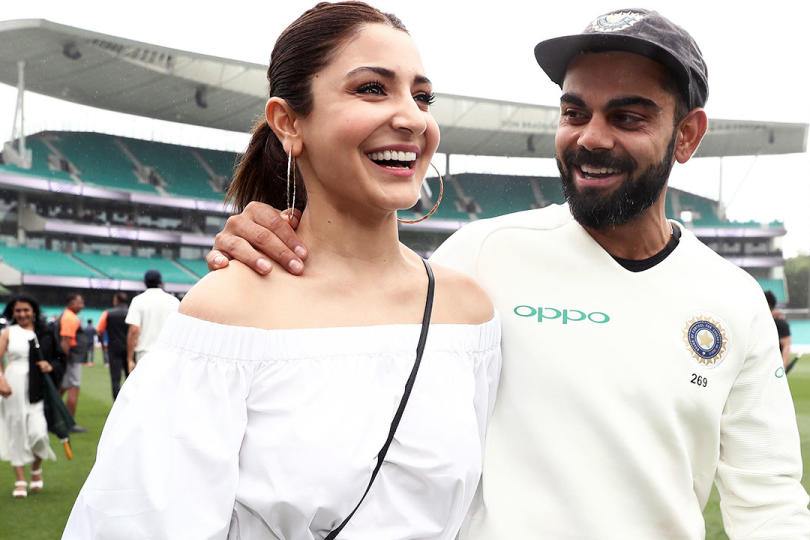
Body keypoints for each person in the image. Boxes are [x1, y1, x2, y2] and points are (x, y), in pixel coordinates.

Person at [211, 8, 810, 538]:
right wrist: (272, 237)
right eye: (575, 112)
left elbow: (770, 500)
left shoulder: (732, 299)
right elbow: (351, 322)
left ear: (687, 136)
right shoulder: (482, 255)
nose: (592, 138)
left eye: (629, 118)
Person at [64, 3, 500, 538]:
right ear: (289, 122)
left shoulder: (470, 312)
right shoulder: (228, 312)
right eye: (371, 89)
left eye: (422, 95)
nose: (412, 117)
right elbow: (134, 522)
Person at [0, 295, 57, 498]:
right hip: (13, 384)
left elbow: (58, 358)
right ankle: (20, 479)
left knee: (39, 432)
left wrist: (50, 366)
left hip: (37, 386)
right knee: (16, 429)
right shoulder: (8, 332)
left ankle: (36, 468)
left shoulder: (44, 333)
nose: (22, 314)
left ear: (33, 311)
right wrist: (1, 380)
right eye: (18, 311)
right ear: (13, 313)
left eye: (26, 310)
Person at [124, 269, 179, 373]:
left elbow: (134, 330)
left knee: (145, 388)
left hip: (145, 354)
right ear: (161, 282)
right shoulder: (174, 301)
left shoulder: (138, 300)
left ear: (144, 282)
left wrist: (130, 359)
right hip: (168, 354)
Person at [58, 293, 87, 433]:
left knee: (61, 388)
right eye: (80, 303)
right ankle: (70, 423)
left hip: (69, 359)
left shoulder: (68, 315)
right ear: (71, 303)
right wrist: (65, 359)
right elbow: (66, 341)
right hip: (71, 359)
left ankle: (52, 418)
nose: (82, 305)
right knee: (73, 387)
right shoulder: (70, 318)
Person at [96, 292, 130, 400]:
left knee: (115, 378)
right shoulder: (132, 313)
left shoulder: (108, 313)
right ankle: (130, 402)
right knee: (130, 378)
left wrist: (102, 345)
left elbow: (99, 331)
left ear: (116, 300)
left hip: (114, 349)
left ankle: (117, 403)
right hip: (129, 349)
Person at [766, 289, 798, 372]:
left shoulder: (780, 324)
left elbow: (786, 346)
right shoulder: (759, 322)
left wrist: (782, 369)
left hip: (773, 368)